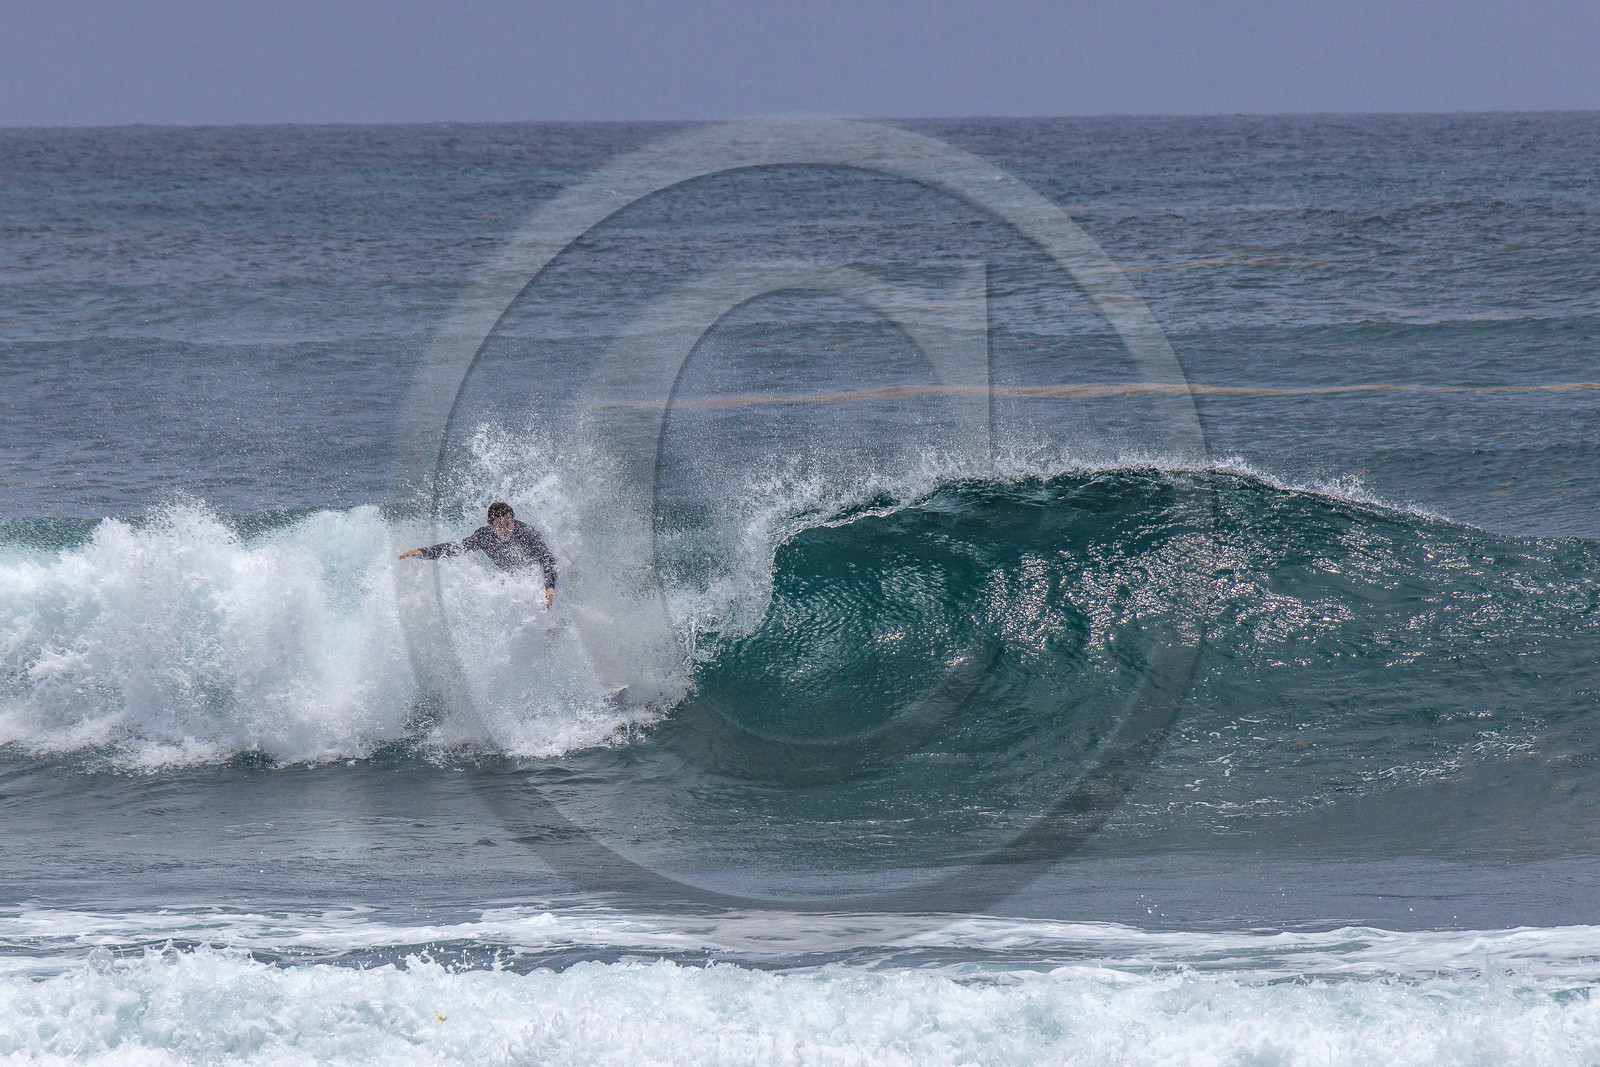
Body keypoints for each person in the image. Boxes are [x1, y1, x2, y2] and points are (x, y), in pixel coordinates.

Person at [398, 502, 558, 609]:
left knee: (548, 600)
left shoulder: (525, 532)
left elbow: (547, 559)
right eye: (500, 525)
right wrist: (422, 552)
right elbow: (456, 548)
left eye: (509, 523)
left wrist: (549, 588)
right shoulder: (484, 536)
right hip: (517, 577)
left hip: (541, 573)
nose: (506, 529)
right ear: (491, 526)